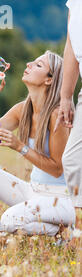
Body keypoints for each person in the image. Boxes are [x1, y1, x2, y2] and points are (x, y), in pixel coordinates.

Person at [0, 51, 75, 242]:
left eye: (38, 65)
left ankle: (64, 230)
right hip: (34, 191)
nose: (29, 64)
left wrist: (19, 146)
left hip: (62, 199)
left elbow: (56, 169)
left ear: (49, 80)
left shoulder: (57, 115)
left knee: (10, 218)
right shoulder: (22, 110)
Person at [55, 0, 82, 218]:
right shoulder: (74, 4)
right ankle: (79, 231)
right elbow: (71, 46)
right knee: (73, 159)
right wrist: (66, 96)